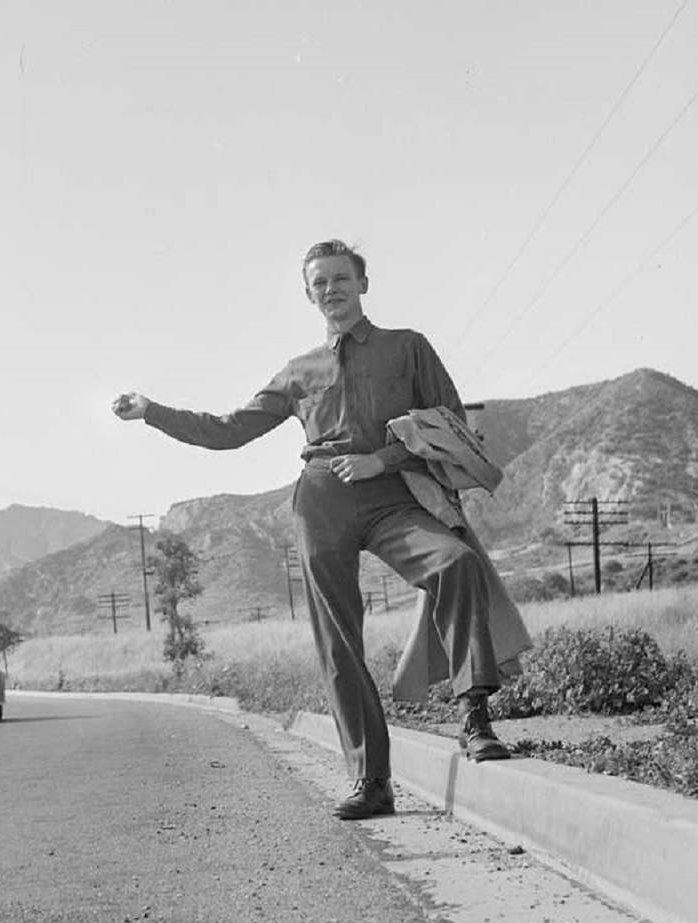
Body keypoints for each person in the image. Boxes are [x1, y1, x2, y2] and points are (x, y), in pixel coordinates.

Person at [113, 239, 519, 820]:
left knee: (455, 563)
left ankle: (475, 716)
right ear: (309, 295)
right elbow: (228, 429)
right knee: (337, 636)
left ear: (363, 283)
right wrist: (152, 411)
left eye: (340, 278)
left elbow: (449, 422)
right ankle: (370, 780)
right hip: (322, 498)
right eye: (319, 283)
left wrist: (384, 459)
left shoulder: (408, 347)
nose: (331, 289)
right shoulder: (298, 371)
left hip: (394, 495)